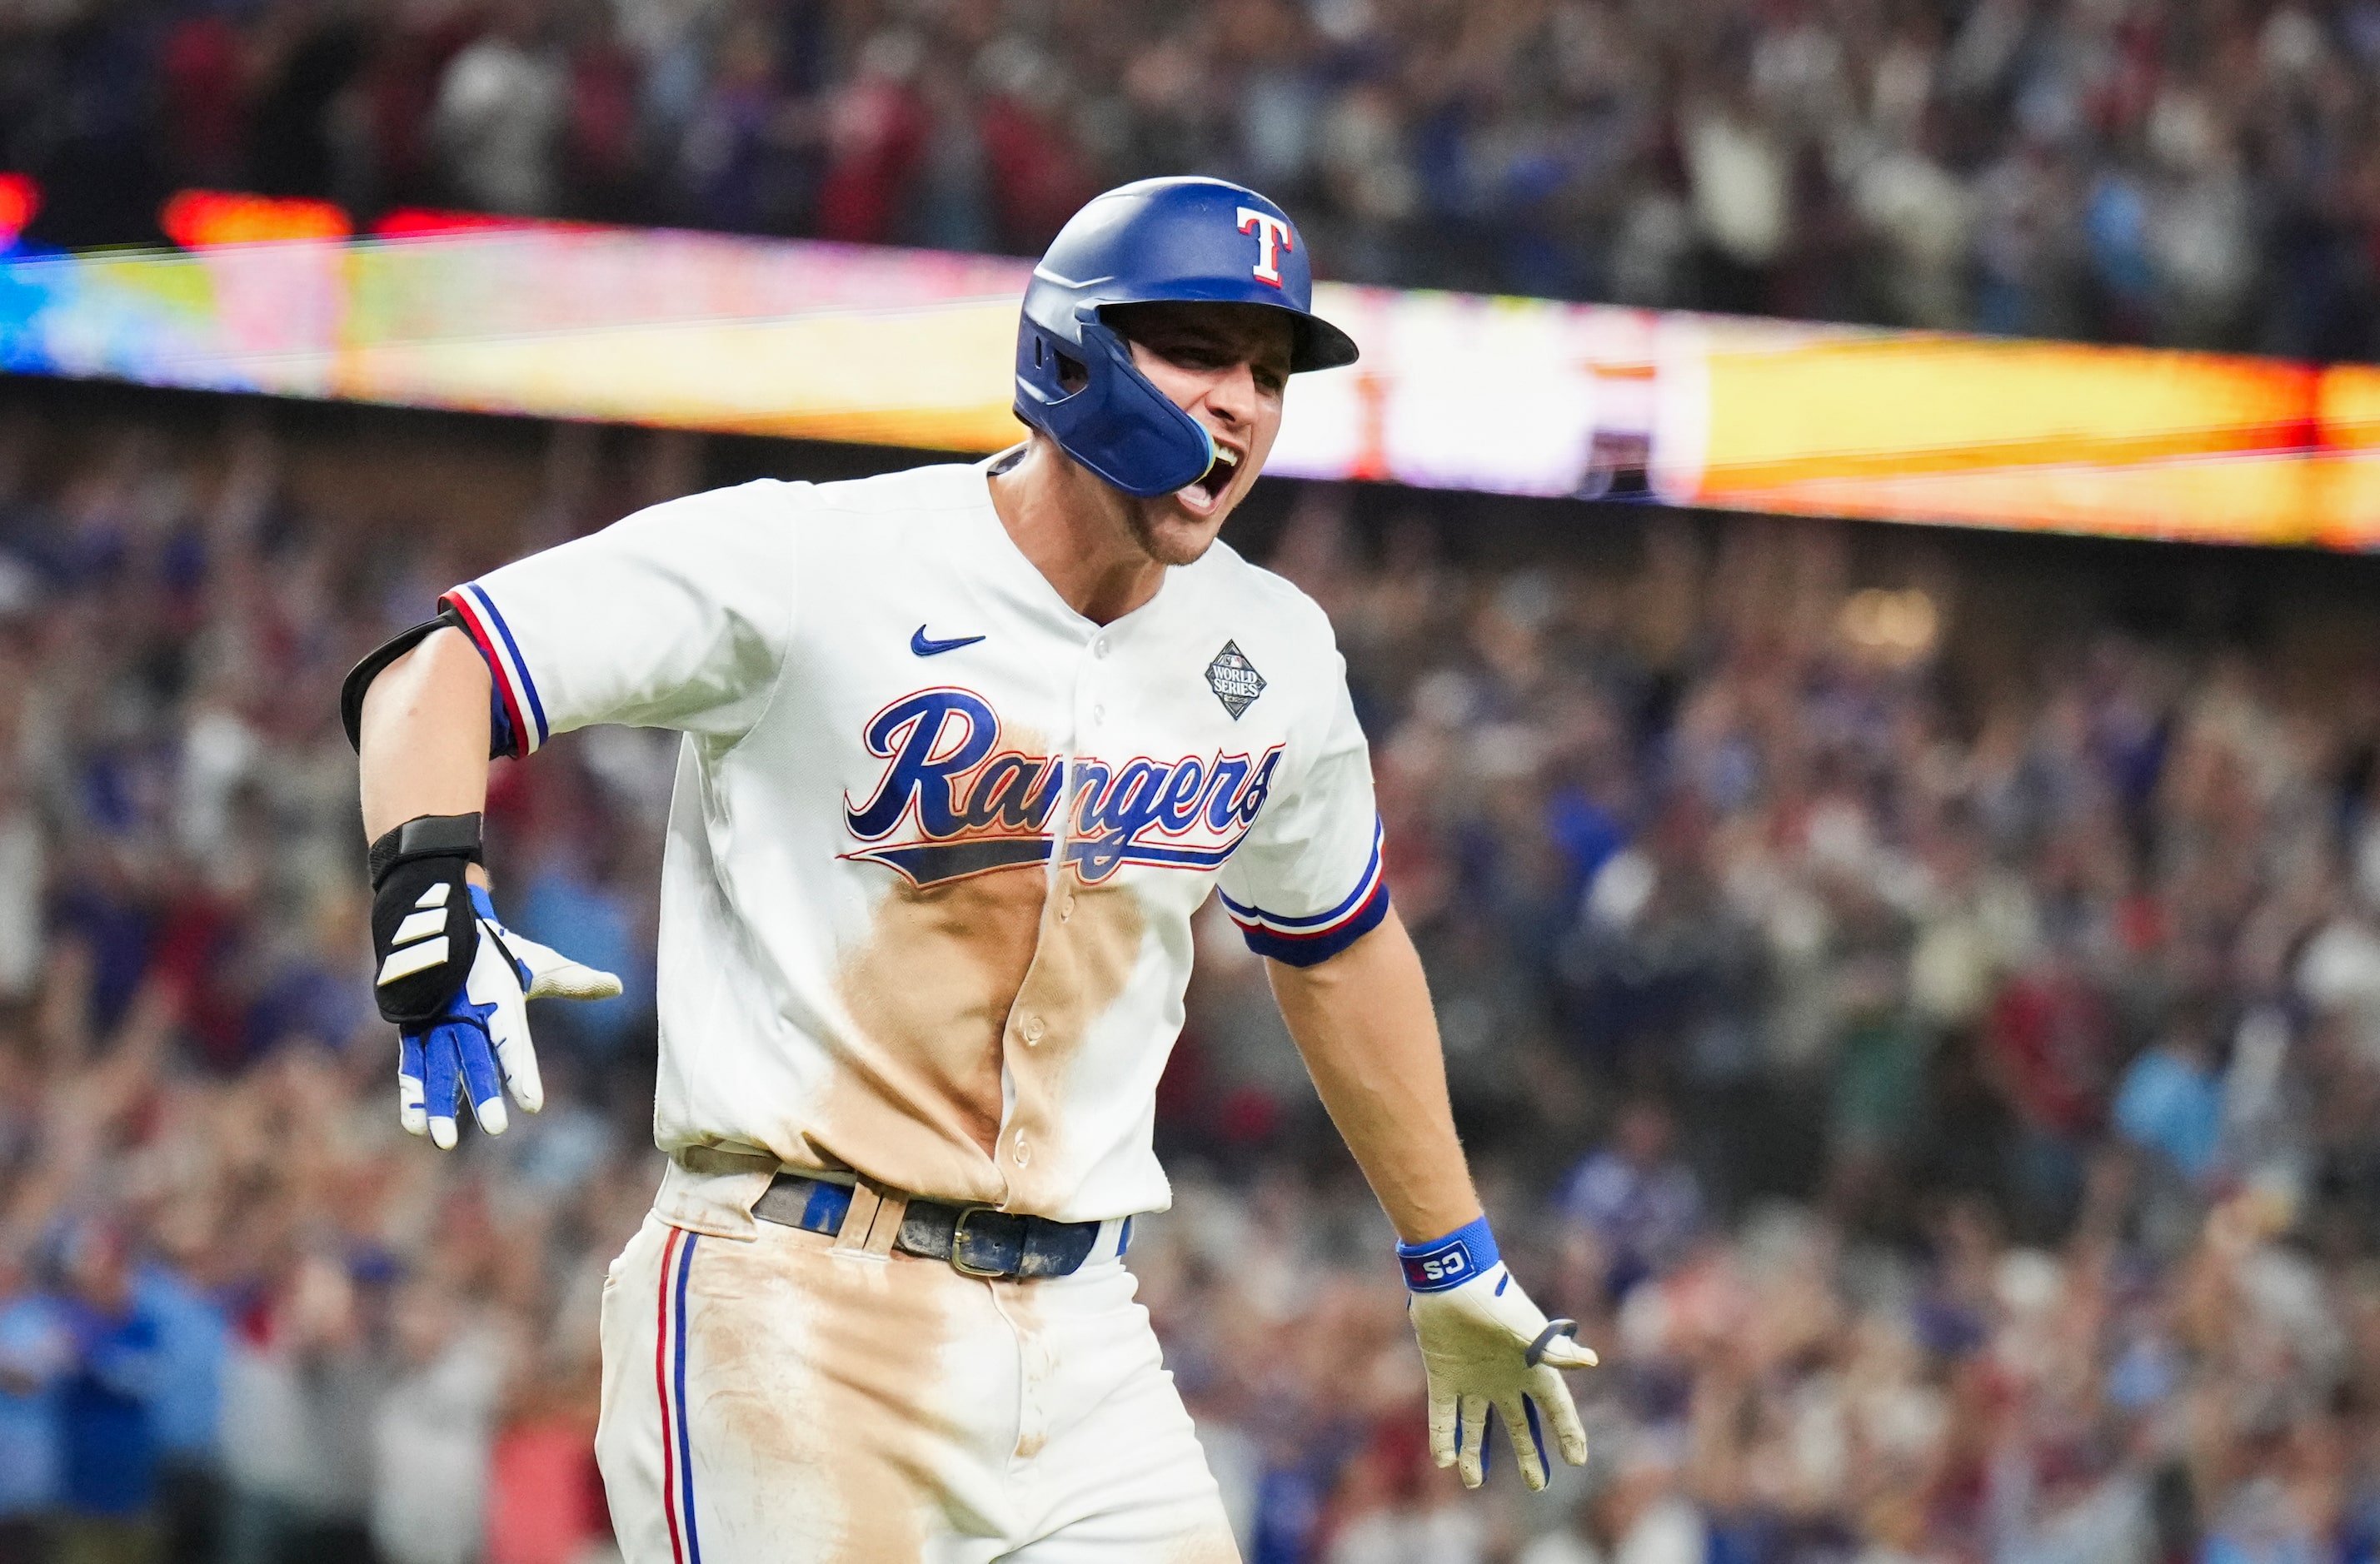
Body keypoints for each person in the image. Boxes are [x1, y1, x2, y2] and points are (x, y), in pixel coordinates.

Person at [342, 175, 1599, 1562]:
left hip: (1083, 1333)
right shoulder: (823, 558)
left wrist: (1452, 1253)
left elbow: (1334, 941)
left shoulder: (1273, 647)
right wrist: (427, 889)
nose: (1241, 404)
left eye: (1269, 371)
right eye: (1196, 351)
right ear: (1065, 355)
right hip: (790, 1301)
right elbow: (444, 667)